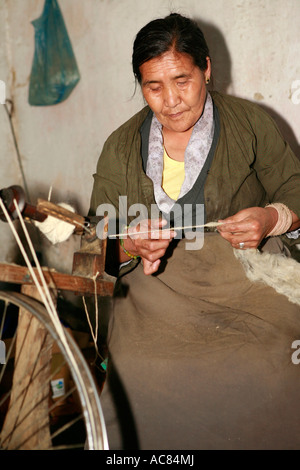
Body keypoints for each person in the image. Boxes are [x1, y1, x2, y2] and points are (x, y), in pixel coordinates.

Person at [89, 13, 300, 450]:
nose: (171, 101)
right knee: (137, 373)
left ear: (206, 68)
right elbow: (95, 239)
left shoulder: (250, 124)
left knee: (269, 367)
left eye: (182, 80)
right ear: (140, 85)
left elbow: (296, 190)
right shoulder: (120, 146)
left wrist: (269, 218)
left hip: (247, 286)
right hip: (153, 299)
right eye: (154, 87)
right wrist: (128, 243)